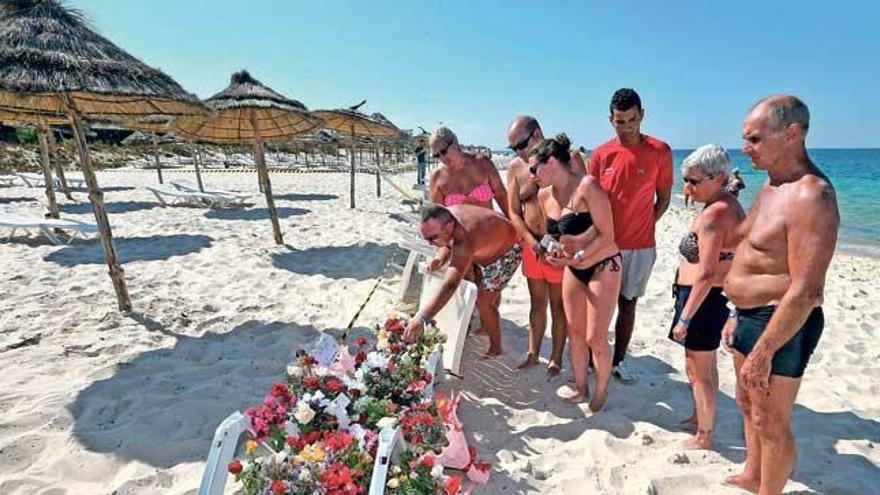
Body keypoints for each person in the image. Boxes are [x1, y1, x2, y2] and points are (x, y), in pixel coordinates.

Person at [722, 95, 838, 495]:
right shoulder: (773, 185)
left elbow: (806, 290)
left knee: (769, 421)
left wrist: (764, 349)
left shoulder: (811, 196)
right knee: (746, 404)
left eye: (754, 138)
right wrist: (735, 310)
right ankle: (754, 474)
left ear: (791, 135)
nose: (745, 148)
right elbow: (746, 244)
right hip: (748, 314)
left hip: (781, 321)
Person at [531, 135, 621, 412]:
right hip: (572, 267)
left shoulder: (587, 187)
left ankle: (601, 390)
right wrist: (551, 250)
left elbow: (608, 235)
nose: (531, 175)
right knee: (576, 332)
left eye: (535, 168)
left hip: (602, 264)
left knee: (596, 336)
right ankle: (581, 387)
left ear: (553, 162)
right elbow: (552, 234)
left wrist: (580, 256)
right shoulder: (545, 195)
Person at [589, 88, 673, 382]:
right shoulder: (601, 155)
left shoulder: (660, 151)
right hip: (604, 244)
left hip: (641, 246)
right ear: (610, 119)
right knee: (599, 303)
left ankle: (619, 359)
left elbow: (663, 198)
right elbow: (591, 201)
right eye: (619, 121)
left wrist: (645, 225)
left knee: (628, 303)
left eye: (631, 120)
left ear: (642, 116)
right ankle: (592, 356)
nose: (626, 127)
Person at [669, 144, 745, 450]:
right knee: (700, 364)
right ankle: (700, 416)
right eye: (685, 180)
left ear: (719, 178)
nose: (687, 187)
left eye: (694, 181)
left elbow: (706, 271)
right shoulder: (722, 204)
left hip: (704, 297)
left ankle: (705, 434)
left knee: (699, 367)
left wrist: (685, 317)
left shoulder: (717, 213)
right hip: (703, 296)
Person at [505, 116, 587, 375]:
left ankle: (556, 357)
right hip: (532, 246)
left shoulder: (567, 158)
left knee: (558, 304)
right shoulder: (516, 168)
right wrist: (531, 242)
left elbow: (584, 200)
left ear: (537, 134)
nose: (518, 152)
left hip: (558, 247)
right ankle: (532, 353)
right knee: (536, 302)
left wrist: (563, 240)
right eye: (513, 148)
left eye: (521, 144)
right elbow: (513, 211)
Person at [403, 204, 521, 358]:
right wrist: (441, 256)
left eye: (432, 239)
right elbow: (447, 242)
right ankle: (487, 325)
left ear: (449, 226)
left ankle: (496, 347)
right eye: (426, 238)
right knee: (484, 291)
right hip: (487, 243)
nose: (430, 243)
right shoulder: (448, 217)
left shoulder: (465, 237)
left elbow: (451, 284)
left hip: (507, 251)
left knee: (484, 300)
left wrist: (422, 318)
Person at [428, 126, 509, 217]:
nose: (442, 158)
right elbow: (438, 218)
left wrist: (516, 225)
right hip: (458, 231)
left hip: (490, 229)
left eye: (443, 152)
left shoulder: (482, 163)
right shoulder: (437, 177)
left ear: (455, 143)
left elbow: (501, 195)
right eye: (436, 156)